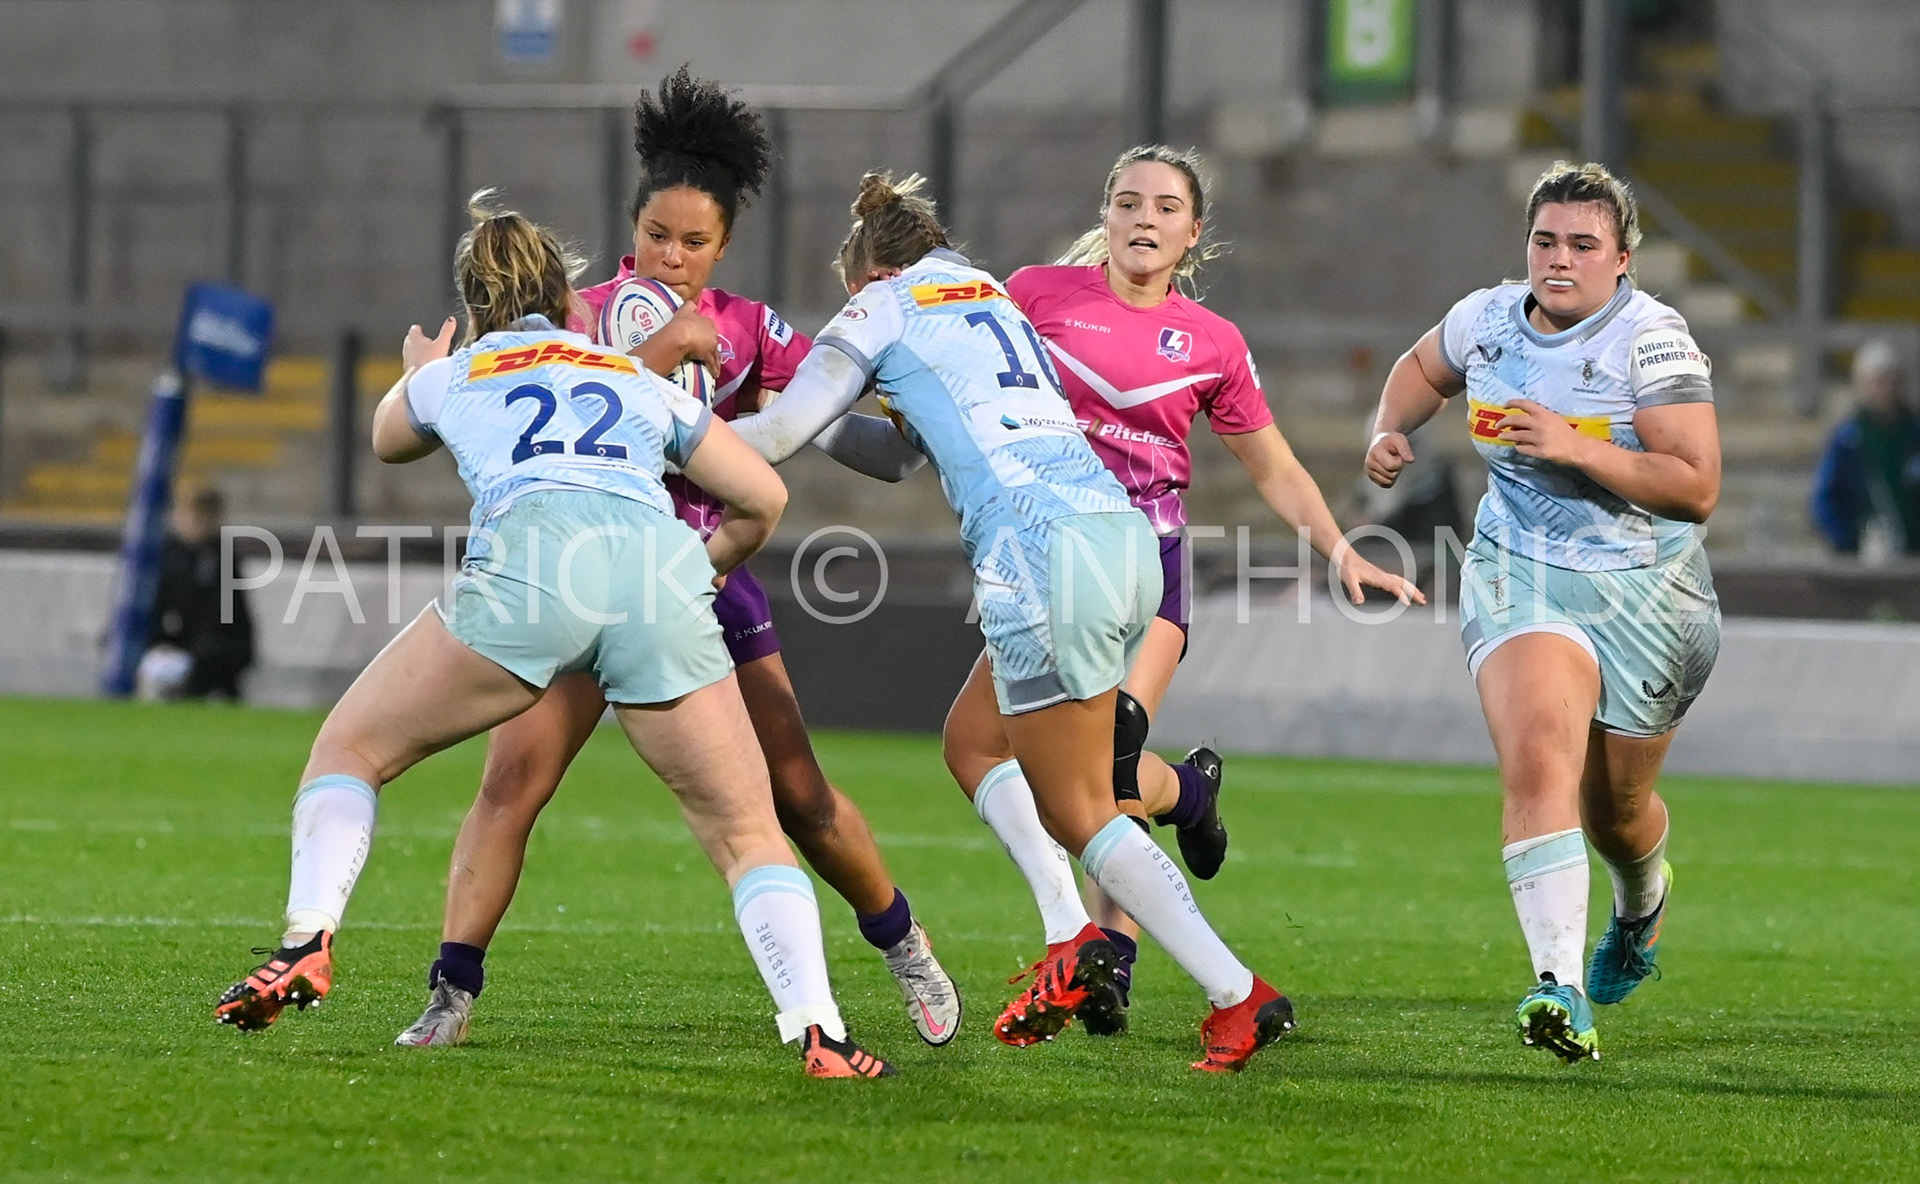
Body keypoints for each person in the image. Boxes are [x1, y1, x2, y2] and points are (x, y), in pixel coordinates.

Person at [215, 194, 896, 1080]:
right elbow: (763, 497)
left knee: (351, 749)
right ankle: (821, 1033)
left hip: (533, 576)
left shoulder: (459, 372)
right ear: (567, 296)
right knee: (745, 835)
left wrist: (423, 366)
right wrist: (702, 569)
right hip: (656, 578)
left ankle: (308, 940)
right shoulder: (631, 377)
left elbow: (388, 442)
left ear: (475, 301)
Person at [395, 69, 958, 1051]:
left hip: (696, 574)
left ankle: (902, 942)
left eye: (696, 242)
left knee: (798, 795)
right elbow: (527, 417)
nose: (676, 255)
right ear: (633, 228)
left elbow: (839, 441)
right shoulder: (574, 315)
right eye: (660, 234)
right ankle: (451, 993)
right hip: (580, 569)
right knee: (511, 783)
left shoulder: (748, 330)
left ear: (723, 245)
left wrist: (912, 433)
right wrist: (658, 356)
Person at [734, 170, 1294, 1072]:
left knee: (1084, 811)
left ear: (866, 274)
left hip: (1039, 557)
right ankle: (1075, 935)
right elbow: (893, 452)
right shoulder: (990, 295)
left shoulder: (882, 305)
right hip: (1121, 540)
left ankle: (1238, 996)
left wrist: (680, 419)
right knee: (971, 742)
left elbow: (774, 440)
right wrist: (802, 406)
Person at [955, 145, 1423, 1034]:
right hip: (1044, 562)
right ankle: (1190, 799)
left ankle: (1111, 956)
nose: (1144, 219)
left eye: (1166, 207)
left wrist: (1339, 549)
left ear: (1192, 232)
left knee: (1108, 754)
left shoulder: (1212, 344)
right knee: (1063, 768)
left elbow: (1272, 465)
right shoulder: (1037, 294)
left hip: (1147, 572)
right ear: (1105, 214)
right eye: (1128, 201)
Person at [1364, 161, 1722, 1063]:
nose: (1558, 260)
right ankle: (1558, 987)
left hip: (1644, 588)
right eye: (1545, 241)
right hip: (1519, 569)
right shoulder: (1487, 319)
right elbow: (1419, 369)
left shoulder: (1653, 340)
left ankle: (1640, 907)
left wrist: (1576, 446)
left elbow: (1696, 486)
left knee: (1617, 813)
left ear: (1623, 258)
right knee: (1536, 757)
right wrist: (1388, 429)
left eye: (1582, 245)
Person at [137, 485, 255, 700]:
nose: (192, 522)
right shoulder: (169, 554)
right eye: (186, 514)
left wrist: (198, 648)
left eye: (199, 516)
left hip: (216, 648)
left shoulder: (222, 557)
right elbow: (158, 605)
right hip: (180, 644)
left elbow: (226, 615)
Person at [1811, 339, 1920, 558]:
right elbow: (1825, 498)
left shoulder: (1914, 434)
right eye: (1879, 381)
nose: (1886, 389)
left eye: (1893, 380)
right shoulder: (1847, 440)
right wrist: (1848, 541)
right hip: (1862, 553)